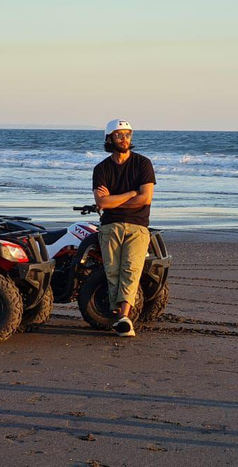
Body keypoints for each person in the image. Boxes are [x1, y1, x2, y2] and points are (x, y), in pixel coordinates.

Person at [92, 119, 156, 338]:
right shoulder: (101, 168)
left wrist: (114, 198)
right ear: (109, 138)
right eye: (119, 135)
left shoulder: (143, 164)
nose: (124, 139)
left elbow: (146, 198)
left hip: (137, 226)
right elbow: (102, 203)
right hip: (109, 226)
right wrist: (130, 193)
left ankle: (124, 317)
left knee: (131, 269)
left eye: (128, 134)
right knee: (113, 271)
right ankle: (120, 316)